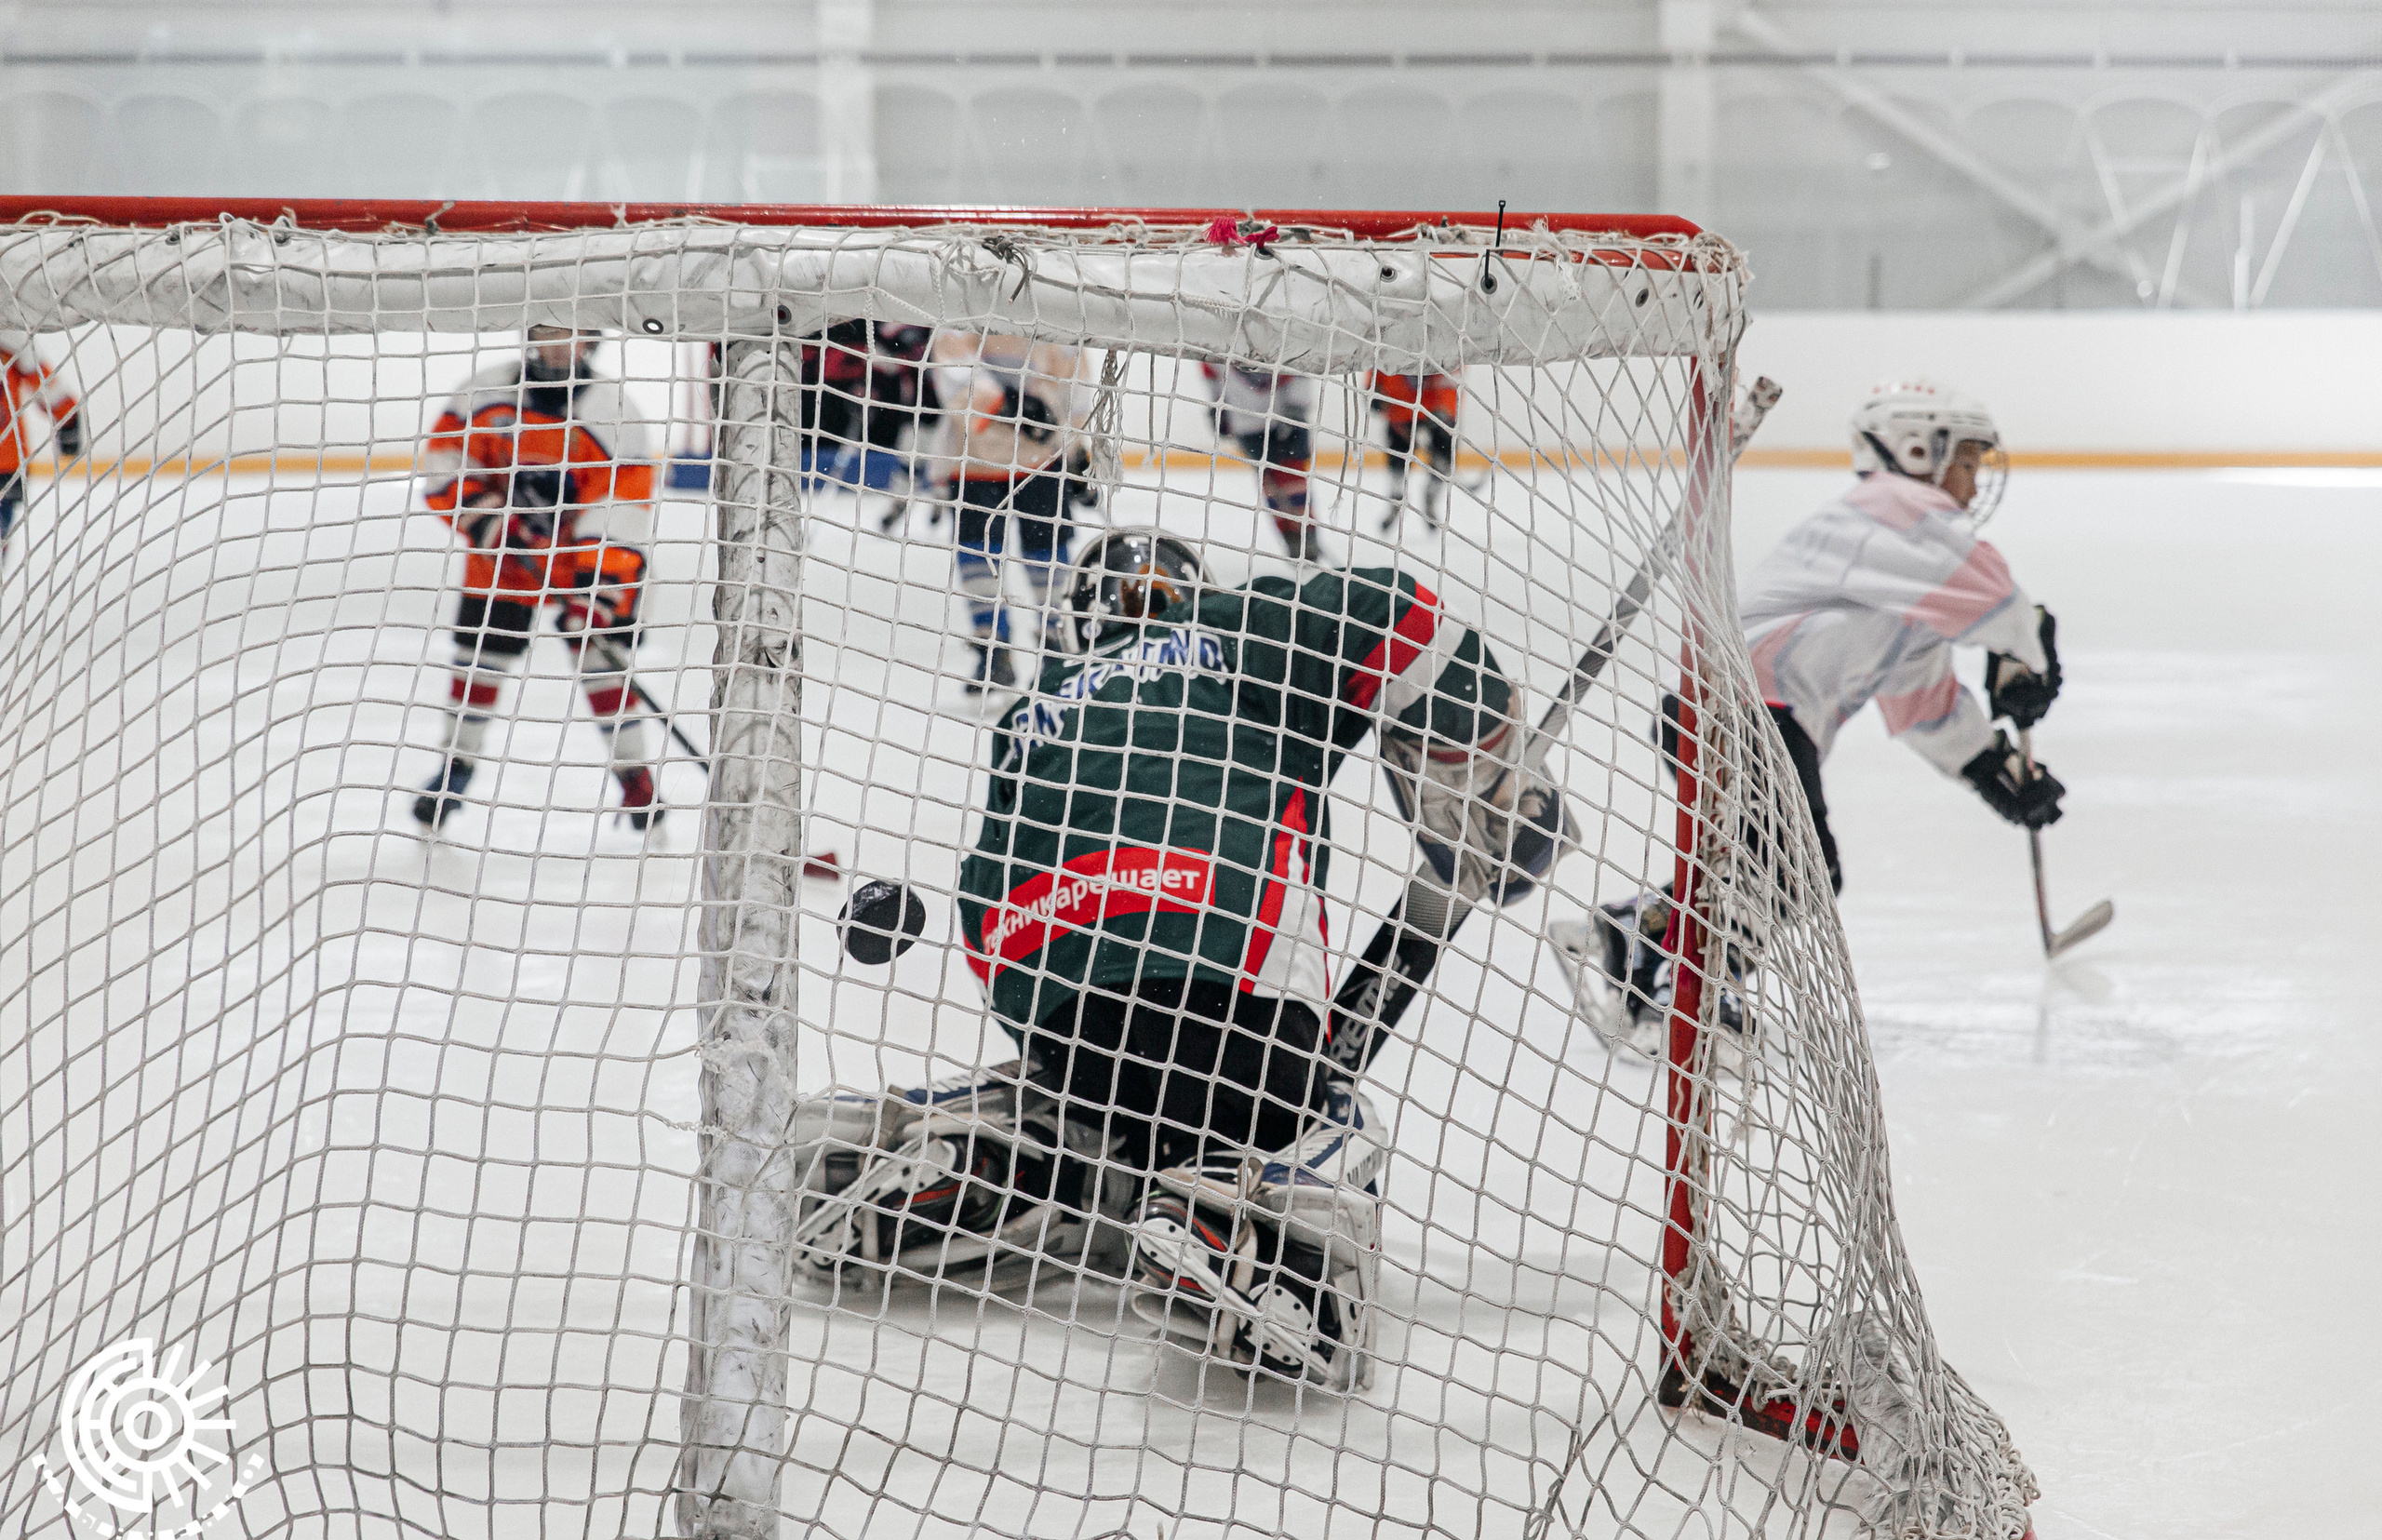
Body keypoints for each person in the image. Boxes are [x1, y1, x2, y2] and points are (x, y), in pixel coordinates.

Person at [784, 531, 1574, 1388]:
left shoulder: (1032, 709)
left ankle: (1018, 1143)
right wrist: (1489, 775)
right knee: (1325, 1111)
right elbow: (1411, 623)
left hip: (1065, 1014)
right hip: (1228, 988)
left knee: (1110, 1103)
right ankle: (1242, 1221)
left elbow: (982, 901)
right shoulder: (1243, 627)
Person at [1557, 380, 2066, 1055]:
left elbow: (1922, 702)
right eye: (1966, 463)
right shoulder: (1893, 511)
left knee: (1767, 865)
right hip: (1739, 707)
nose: (1973, 487)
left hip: (1731, 710)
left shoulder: (1901, 577)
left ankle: (1634, 931)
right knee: (1795, 867)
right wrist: (2027, 651)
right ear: (1919, 451)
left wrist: (1992, 767)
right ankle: (1682, 999)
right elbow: (1994, 597)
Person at [412, 325, 662, 832]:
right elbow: (444, 457)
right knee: (478, 660)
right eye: (547, 331)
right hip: (504, 559)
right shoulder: (485, 392)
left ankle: (635, 776)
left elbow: (622, 503)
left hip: (583, 563)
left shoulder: (614, 410)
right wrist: (483, 514)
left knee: (604, 664)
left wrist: (601, 587)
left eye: (568, 334)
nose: (556, 344)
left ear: (590, 340)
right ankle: (455, 766)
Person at [924, 330, 1092, 693]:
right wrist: (1005, 404)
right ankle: (993, 649)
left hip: (1041, 459)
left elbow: (1074, 376)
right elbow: (951, 363)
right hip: (975, 459)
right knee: (978, 552)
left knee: (1046, 553)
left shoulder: (1054, 306)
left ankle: (1055, 645)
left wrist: (1078, 450)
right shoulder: (968, 298)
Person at [1201, 361, 1323, 562]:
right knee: (1269, 484)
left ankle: (1307, 533)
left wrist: (1297, 406)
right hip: (1247, 423)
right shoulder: (1219, 343)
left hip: (1285, 415)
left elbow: (1301, 362)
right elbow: (1211, 371)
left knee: (1293, 477)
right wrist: (1217, 407)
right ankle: (1290, 536)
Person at [0, 334, 82, 547]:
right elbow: (42, 380)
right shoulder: (9, 334)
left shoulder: (9, 337)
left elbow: (40, 378)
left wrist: (68, 419)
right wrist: (69, 420)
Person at [1368, 368, 1461, 535]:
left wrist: (1445, 409)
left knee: (1443, 461)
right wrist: (1373, 389)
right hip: (1400, 410)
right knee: (1397, 461)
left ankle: (1430, 498)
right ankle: (1396, 500)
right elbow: (1378, 365)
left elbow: (1452, 375)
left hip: (1436, 412)